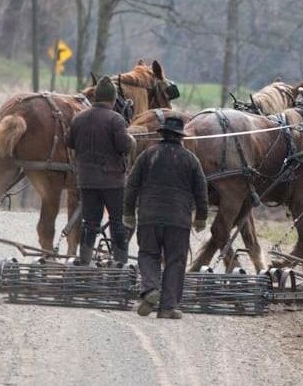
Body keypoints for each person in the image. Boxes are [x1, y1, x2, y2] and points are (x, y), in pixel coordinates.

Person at [124, 116, 208, 319]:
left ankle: (150, 289)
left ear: (162, 134)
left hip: (149, 217)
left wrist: (128, 212)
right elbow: (201, 191)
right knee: (175, 261)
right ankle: (168, 307)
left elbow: (132, 185)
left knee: (148, 255)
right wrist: (201, 217)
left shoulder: (147, 155)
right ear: (180, 137)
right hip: (178, 219)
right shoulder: (191, 159)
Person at [66, 76, 134, 266]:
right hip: (113, 182)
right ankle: (119, 264)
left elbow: (69, 142)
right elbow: (124, 146)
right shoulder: (116, 119)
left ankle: (85, 261)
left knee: (90, 223)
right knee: (117, 222)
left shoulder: (79, 118)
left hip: (86, 181)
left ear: (95, 97)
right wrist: (131, 140)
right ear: (112, 99)